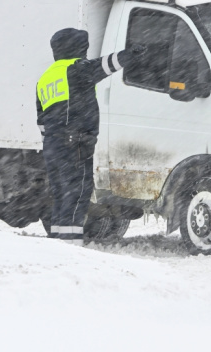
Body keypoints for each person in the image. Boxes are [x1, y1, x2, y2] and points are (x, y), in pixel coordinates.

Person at [36, 28, 144, 245]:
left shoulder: (45, 78)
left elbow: (41, 122)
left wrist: (56, 139)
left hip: (52, 145)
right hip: (74, 144)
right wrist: (131, 54)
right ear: (78, 49)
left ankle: (58, 242)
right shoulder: (76, 70)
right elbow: (104, 65)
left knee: (61, 197)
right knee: (76, 196)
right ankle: (70, 247)